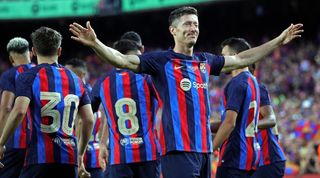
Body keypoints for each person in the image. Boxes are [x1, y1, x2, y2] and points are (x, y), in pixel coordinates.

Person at [69, 6, 303, 178]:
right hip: (178, 150)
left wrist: (279, 41)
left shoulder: (205, 61)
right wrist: (96, 44)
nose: (193, 28)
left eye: (196, 24)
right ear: (173, 30)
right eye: (188, 24)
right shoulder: (161, 61)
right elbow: (122, 59)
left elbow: (242, 58)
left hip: (204, 150)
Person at [0, 27, 94, 178]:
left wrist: (1, 142)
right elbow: (89, 119)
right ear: (59, 51)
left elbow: (19, 111)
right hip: (69, 159)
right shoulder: (76, 79)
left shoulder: (29, 76)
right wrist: (80, 153)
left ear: (34, 51)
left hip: (39, 157)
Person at [91, 38, 160, 178]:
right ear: (133, 56)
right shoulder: (147, 78)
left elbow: (87, 113)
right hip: (148, 154)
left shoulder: (103, 82)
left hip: (118, 156)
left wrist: (101, 143)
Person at [213, 37, 261, 178]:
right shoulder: (252, 81)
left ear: (234, 57)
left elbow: (230, 123)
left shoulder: (236, 83)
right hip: (249, 156)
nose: (221, 60)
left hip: (234, 157)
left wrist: (211, 148)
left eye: (224, 55)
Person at [65, 58, 105, 178]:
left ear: (82, 74)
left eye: (69, 72)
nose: (66, 75)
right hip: (97, 155)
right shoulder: (96, 93)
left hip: (78, 153)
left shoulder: (76, 93)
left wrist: (78, 154)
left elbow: (81, 121)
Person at [0, 37, 34, 178]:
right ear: (31, 54)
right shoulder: (41, 73)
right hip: (39, 145)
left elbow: (6, 108)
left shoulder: (10, 74)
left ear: (11, 58)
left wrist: (1, 140)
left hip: (15, 143)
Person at [249, 63, 286, 177]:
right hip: (253, 161)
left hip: (267, 160)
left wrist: (246, 126)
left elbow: (271, 120)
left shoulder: (257, 89)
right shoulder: (233, 91)